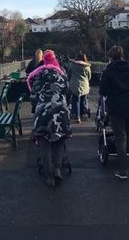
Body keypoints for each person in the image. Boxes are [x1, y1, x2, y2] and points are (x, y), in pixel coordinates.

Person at [27, 50, 71, 187]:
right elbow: (68, 94)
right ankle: (57, 168)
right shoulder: (62, 75)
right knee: (59, 141)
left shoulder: (38, 76)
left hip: (43, 113)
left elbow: (33, 97)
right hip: (61, 112)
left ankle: (49, 175)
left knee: (44, 143)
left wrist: (38, 104)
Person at [100, 45, 129, 180]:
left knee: (121, 138)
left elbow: (103, 90)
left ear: (111, 57)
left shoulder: (108, 71)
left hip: (117, 107)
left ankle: (123, 170)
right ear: (123, 56)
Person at [67, 52, 91, 124]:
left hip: (74, 85)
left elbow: (69, 74)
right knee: (82, 101)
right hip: (84, 85)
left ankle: (77, 116)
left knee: (76, 100)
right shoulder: (87, 66)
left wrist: (69, 80)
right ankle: (81, 114)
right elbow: (89, 76)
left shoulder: (72, 65)